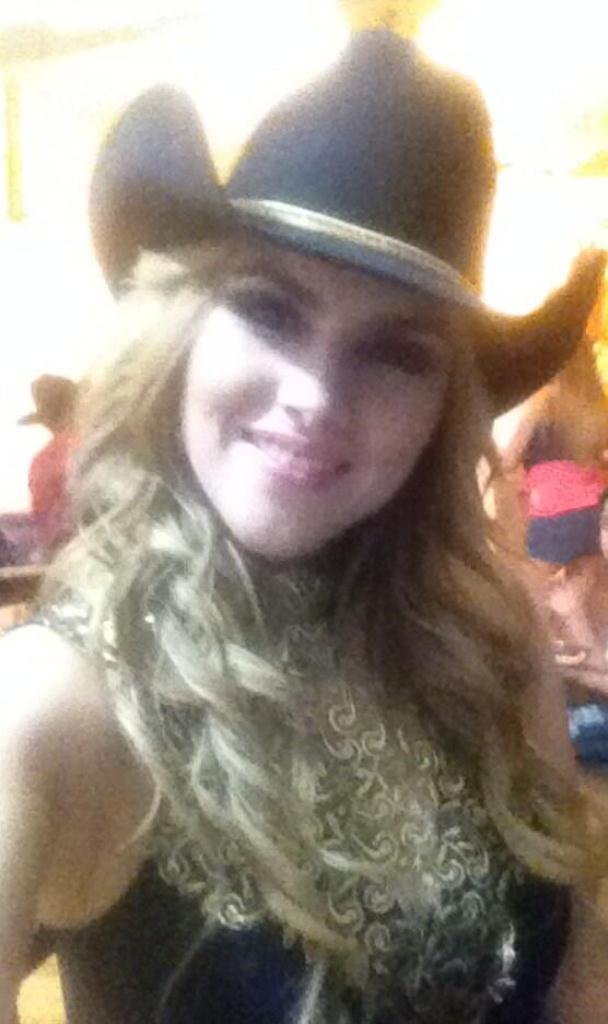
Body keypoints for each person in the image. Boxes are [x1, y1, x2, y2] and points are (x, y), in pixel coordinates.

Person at [1, 29, 607, 1024]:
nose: (316, 398)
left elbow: (580, 981)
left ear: (442, 407)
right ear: (180, 332)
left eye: (395, 354)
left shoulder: (489, 637)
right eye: (269, 311)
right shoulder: (54, 700)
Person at [500, 322, 608, 674]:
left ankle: (530, 662)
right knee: (573, 591)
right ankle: (592, 657)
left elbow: (508, 459)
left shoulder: (544, 399)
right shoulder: (597, 404)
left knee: (526, 589)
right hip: (591, 513)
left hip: (553, 515)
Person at [18, 374, 78, 558]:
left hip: (64, 555)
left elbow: (43, 523)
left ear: (46, 421)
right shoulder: (100, 447)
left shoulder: (42, 462)